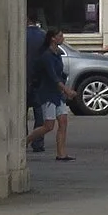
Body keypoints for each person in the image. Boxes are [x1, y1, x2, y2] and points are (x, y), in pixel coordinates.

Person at [24, 29, 75, 161]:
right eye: (60, 36)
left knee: (63, 122)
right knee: (49, 125)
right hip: (47, 93)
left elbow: (59, 74)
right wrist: (66, 90)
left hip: (57, 93)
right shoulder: (46, 56)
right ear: (52, 38)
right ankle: (26, 140)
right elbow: (53, 77)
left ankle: (61, 153)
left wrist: (64, 89)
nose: (62, 38)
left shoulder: (57, 54)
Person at [25, 12, 49, 153]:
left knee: (21, 113)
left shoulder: (21, 35)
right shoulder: (43, 36)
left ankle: (23, 140)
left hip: (24, 78)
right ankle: (38, 142)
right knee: (39, 112)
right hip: (39, 79)